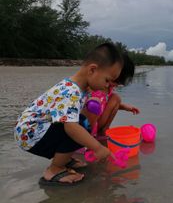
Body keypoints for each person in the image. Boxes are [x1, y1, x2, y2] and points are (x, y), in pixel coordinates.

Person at [14, 43, 123, 186]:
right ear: (92, 70)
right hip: (30, 134)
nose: (109, 85)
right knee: (80, 128)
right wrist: (98, 147)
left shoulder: (80, 87)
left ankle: (65, 158)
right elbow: (71, 128)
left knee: (82, 124)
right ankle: (55, 169)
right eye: (107, 80)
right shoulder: (70, 91)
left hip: (37, 129)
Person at [81, 51, 140, 138]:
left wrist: (124, 107)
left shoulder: (108, 86)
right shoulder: (95, 85)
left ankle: (104, 130)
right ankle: (93, 135)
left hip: (98, 121)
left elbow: (105, 103)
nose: (110, 85)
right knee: (100, 102)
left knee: (116, 98)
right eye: (114, 81)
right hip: (86, 126)